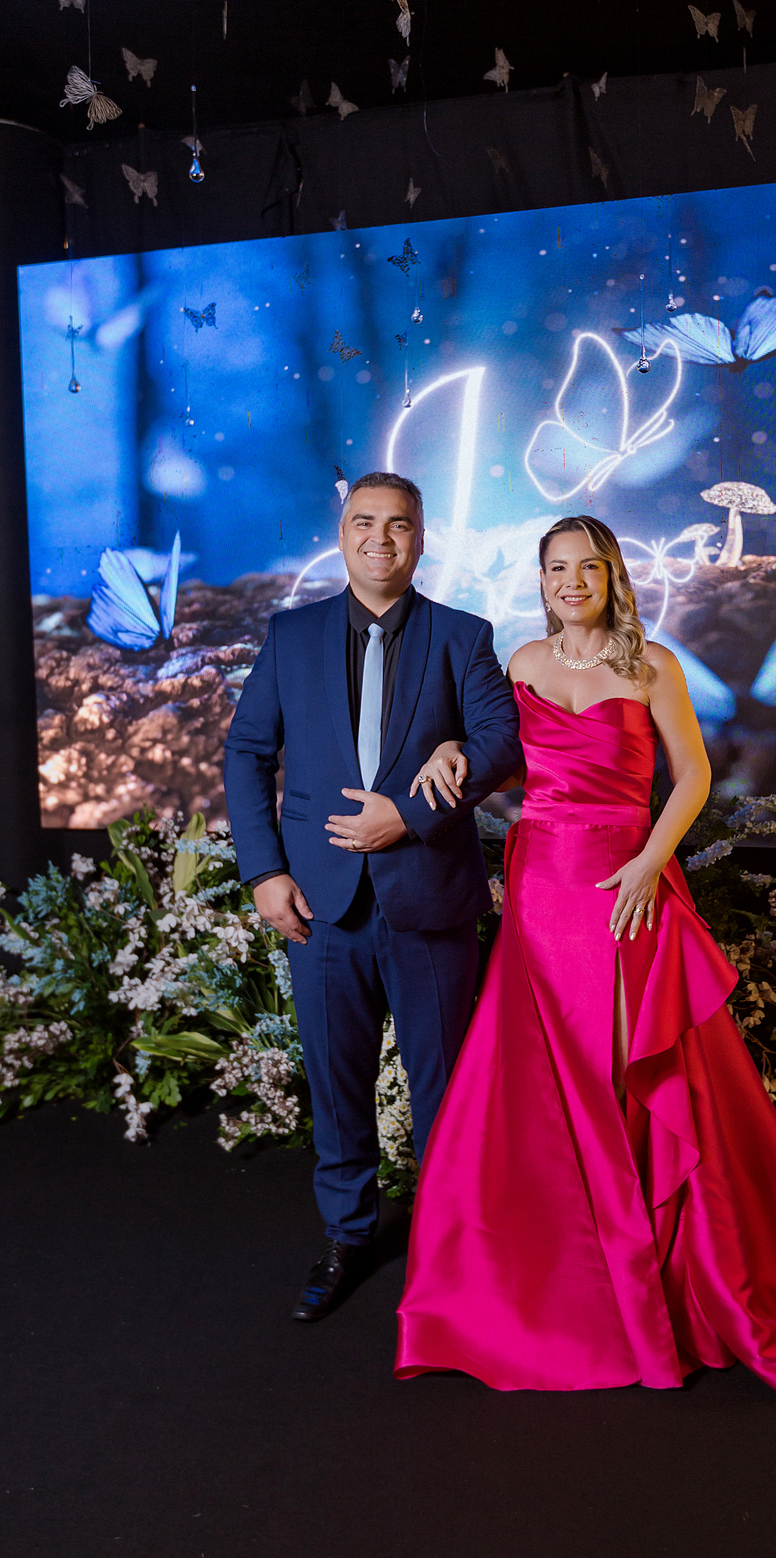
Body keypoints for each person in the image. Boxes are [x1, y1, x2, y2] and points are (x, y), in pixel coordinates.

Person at [393, 514, 776, 1403]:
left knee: (629, 1073)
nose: (572, 582)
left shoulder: (653, 665)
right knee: (553, 1081)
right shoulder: (522, 665)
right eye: (557, 568)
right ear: (542, 580)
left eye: (588, 568)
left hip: (625, 887)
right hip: (543, 893)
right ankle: (573, 1281)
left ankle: (661, 1271)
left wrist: (649, 862)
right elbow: (504, 764)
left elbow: (694, 774)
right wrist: (447, 747)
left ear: (612, 577)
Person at [223, 472, 522, 1322]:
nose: (380, 539)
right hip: (320, 908)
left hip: (430, 902)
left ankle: (454, 1250)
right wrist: (264, 872)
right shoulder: (291, 635)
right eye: (365, 522)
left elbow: (504, 744)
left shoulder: (462, 635)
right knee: (337, 1087)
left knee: (445, 1091)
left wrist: (411, 812)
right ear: (342, 531)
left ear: (421, 537)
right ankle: (346, 1236)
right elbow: (247, 752)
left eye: (398, 524)